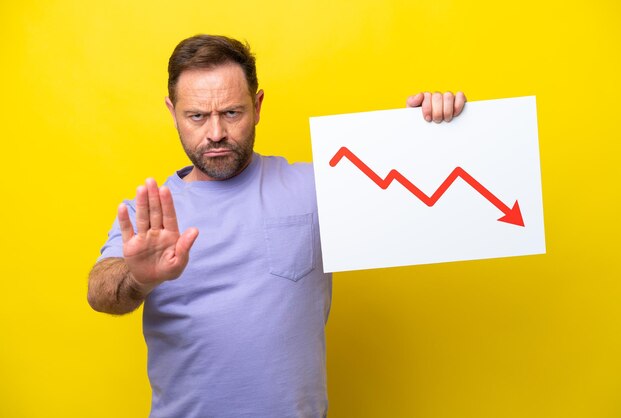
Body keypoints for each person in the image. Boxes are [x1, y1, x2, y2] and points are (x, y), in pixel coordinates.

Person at [88, 34, 466, 418]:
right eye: (197, 116)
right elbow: (100, 291)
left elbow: (424, 194)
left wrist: (436, 131)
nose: (215, 133)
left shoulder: (316, 188)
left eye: (232, 113)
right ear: (173, 112)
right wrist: (139, 278)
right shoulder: (150, 215)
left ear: (257, 105)